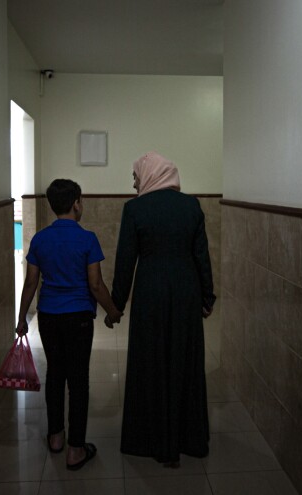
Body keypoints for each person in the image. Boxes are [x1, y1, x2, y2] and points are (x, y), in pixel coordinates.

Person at [108, 152, 216, 467]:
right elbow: (202, 256)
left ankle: (150, 439)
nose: (134, 182)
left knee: (150, 359)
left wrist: (116, 304)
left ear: (149, 174)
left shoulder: (135, 209)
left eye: (135, 175)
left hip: (150, 292)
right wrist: (207, 298)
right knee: (184, 359)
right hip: (186, 290)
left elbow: (125, 260)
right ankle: (188, 438)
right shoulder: (191, 206)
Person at [15, 178, 123, 471]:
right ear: (76, 203)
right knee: (78, 381)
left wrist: (21, 319)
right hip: (78, 320)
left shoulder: (40, 239)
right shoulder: (87, 239)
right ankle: (76, 449)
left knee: (55, 374)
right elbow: (96, 284)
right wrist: (112, 312)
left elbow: (30, 282)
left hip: (48, 317)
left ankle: (55, 437)